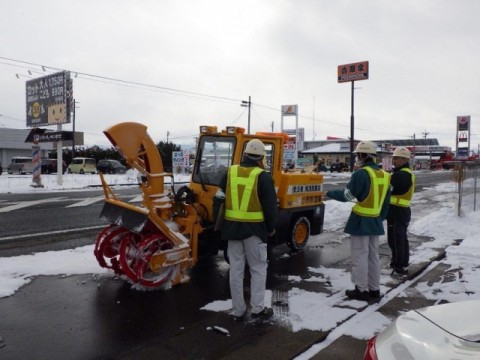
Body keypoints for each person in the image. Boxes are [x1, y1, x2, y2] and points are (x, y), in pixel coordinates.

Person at [218, 139, 278, 321]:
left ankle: (238, 311)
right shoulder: (263, 177)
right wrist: (271, 228)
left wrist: (220, 224)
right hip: (255, 232)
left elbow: (218, 199)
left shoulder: (229, 172)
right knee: (258, 269)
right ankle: (258, 309)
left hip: (232, 231)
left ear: (245, 154)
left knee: (236, 270)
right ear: (261, 157)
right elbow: (270, 208)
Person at [325, 141, 390, 302]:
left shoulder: (361, 174)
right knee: (373, 257)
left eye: (358, 155)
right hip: (375, 222)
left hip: (361, 222)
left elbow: (347, 196)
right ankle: (374, 289)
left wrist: (329, 193)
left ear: (362, 156)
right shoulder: (385, 175)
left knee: (360, 256)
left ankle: (361, 290)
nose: (357, 159)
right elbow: (386, 203)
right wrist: (379, 218)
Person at [387, 147, 414, 277]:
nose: (393, 160)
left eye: (396, 158)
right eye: (394, 157)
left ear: (404, 159)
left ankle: (398, 266)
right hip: (401, 211)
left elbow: (387, 190)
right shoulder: (406, 173)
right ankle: (401, 263)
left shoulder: (400, 175)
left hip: (397, 212)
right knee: (401, 239)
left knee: (395, 240)